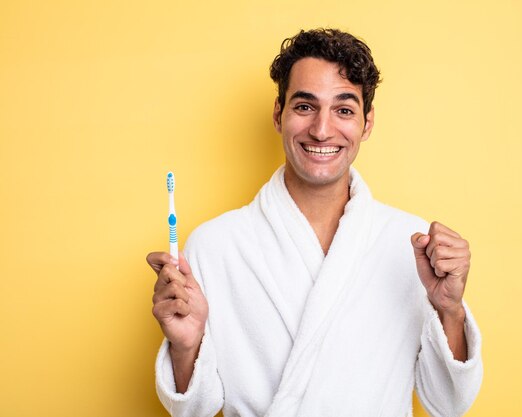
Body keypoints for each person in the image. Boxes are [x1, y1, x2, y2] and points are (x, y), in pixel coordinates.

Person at [146, 28, 483, 417]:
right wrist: (186, 347)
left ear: (367, 123)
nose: (322, 130)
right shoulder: (216, 245)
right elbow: (195, 410)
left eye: (344, 110)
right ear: (279, 114)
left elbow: (449, 404)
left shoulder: (410, 244)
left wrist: (449, 311)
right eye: (305, 106)